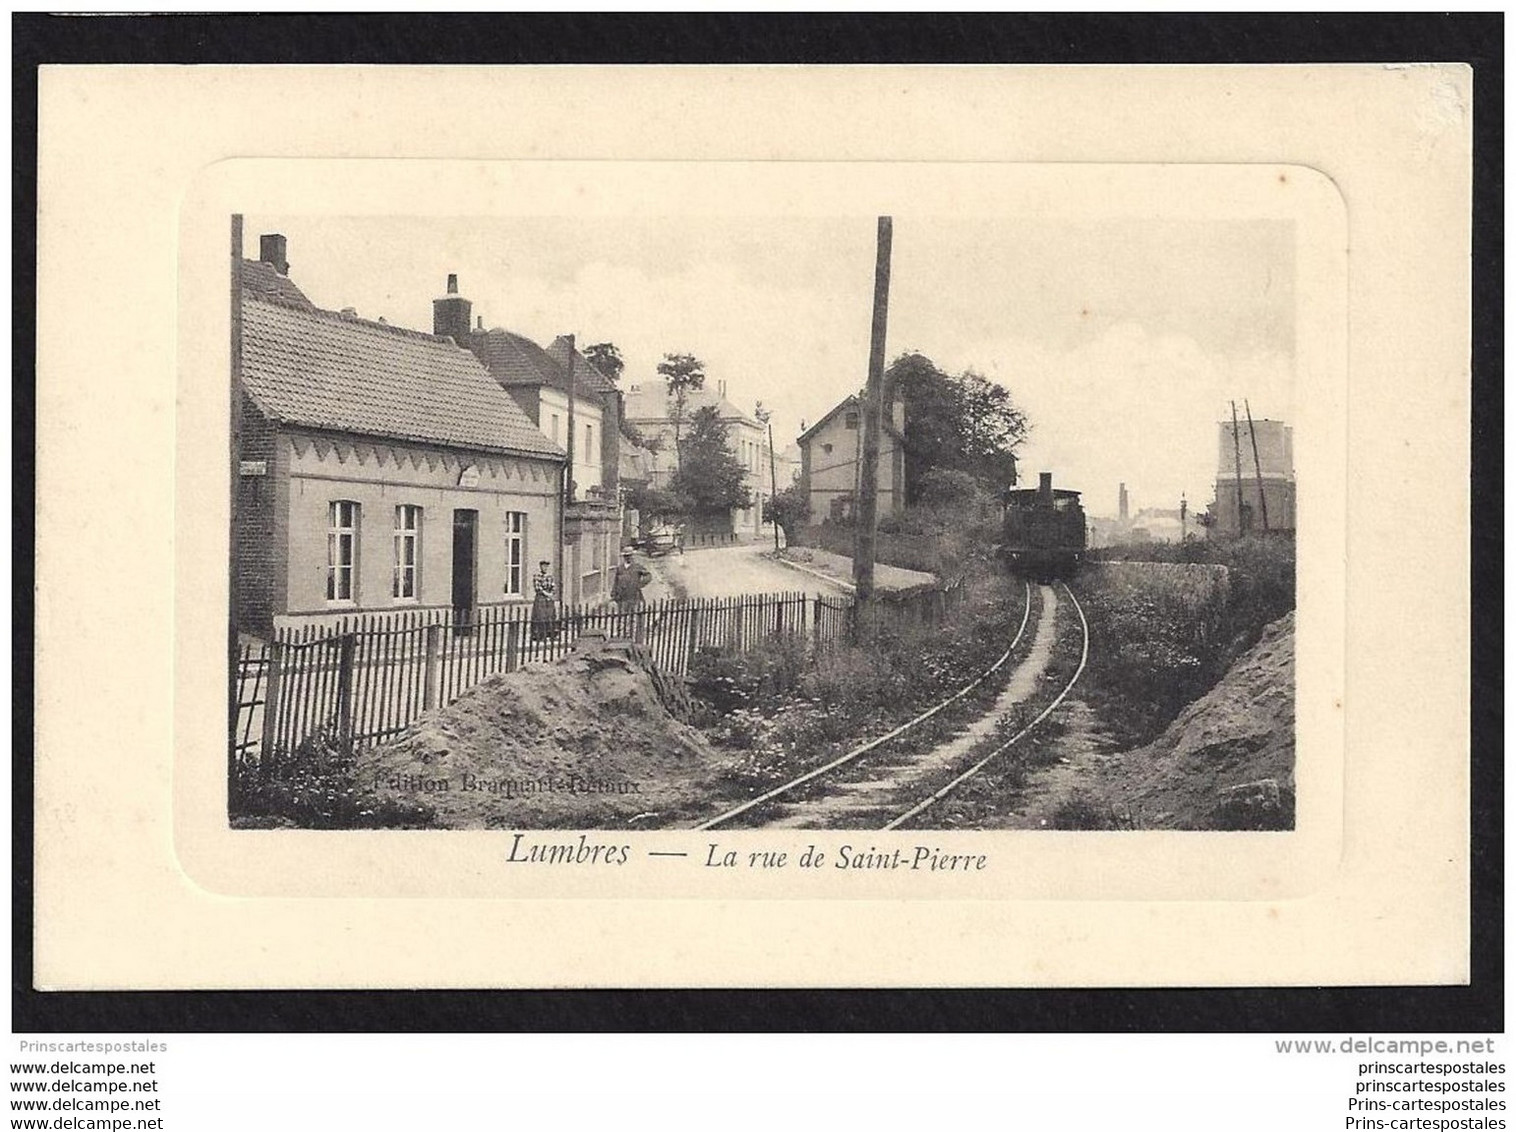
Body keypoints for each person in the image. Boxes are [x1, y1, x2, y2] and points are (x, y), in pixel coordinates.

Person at [530, 560, 557, 641]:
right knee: (540, 617)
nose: (545, 568)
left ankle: (551, 634)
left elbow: (553, 586)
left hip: (549, 598)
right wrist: (546, 594)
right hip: (541, 598)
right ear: (540, 566)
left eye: (546, 566)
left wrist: (551, 594)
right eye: (543, 566)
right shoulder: (537, 576)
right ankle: (540, 635)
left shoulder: (550, 576)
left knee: (550, 616)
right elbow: (538, 588)